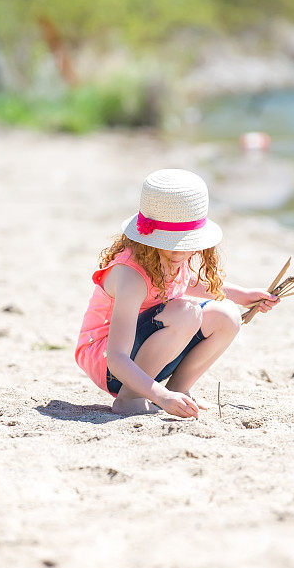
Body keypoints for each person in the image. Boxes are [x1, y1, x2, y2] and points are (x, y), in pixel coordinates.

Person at [75, 169, 280, 419]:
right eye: (170, 243)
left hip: (148, 358)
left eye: (185, 243)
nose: (179, 253)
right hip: (110, 364)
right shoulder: (131, 276)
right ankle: (131, 398)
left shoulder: (174, 260)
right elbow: (118, 357)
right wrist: (159, 396)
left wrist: (243, 295)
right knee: (186, 312)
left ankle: (179, 389)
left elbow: (192, 283)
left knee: (228, 315)